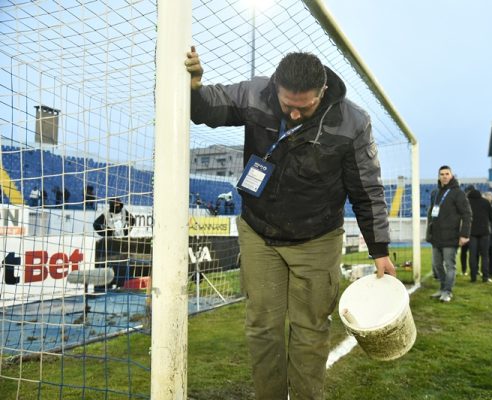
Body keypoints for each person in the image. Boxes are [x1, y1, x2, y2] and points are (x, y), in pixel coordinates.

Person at [186, 48, 396, 400]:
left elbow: (367, 188)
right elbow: (208, 108)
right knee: (262, 328)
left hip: (317, 238)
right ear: (276, 89)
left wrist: (380, 250)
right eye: (288, 106)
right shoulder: (256, 93)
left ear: (323, 91)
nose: (295, 113)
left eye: (305, 106)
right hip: (259, 230)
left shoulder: (353, 122)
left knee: (310, 331)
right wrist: (193, 88)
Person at [426, 165, 472, 303]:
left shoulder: (458, 193)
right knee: (437, 265)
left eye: (447, 174)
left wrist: (464, 234)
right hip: (436, 237)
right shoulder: (435, 193)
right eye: (442, 174)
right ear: (439, 176)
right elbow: (431, 214)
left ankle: (447, 291)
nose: (444, 176)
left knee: (450, 265)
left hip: (451, 236)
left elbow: (467, 214)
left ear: (451, 176)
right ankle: (442, 288)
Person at [467, 187, 492, 283]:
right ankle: (485, 277)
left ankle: (473, 277)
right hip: (484, 232)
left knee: (472, 255)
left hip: (471, 232)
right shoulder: (485, 202)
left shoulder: (467, 202)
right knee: (485, 255)